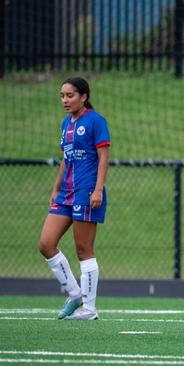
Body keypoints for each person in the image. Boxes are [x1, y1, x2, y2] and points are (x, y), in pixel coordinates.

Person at [38, 77, 110, 321]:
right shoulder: (65, 123)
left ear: (84, 97)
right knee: (46, 244)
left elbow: (103, 157)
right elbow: (66, 159)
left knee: (83, 250)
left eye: (70, 95)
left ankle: (89, 309)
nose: (65, 100)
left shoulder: (96, 121)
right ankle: (74, 293)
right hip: (66, 193)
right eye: (62, 96)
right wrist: (55, 188)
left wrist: (98, 189)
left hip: (87, 192)